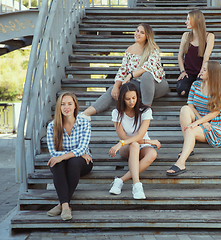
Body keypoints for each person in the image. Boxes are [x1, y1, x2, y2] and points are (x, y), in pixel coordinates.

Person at [79, 23, 169, 121]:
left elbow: (148, 67)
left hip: (157, 85)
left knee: (146, 76)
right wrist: (116, 86)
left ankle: (146, 112)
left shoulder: (153, 49)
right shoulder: (129, 50)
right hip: (138, 85)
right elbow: (122, 70)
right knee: (114, 89)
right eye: (137, 31)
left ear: (147, 36)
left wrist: (131, 75)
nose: (137, 34)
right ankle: (86, 114)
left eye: (142, 32)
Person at [167, 61, 221, 176]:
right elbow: (191, 104)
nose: (201, 71)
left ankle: (181, 163)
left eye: (205, 70)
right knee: (185, 109)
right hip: (201, 120)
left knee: (190, 129)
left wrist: (200, 123)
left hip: (214, 126)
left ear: (212, 73)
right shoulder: (195, 85)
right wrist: (200, 122)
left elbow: (215, 112)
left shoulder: (218, 89)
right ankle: (189, 148)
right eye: (202, 68)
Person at [108, 83, 161, 199]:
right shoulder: (116, 113)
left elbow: (140, 135)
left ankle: (120, 180)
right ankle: (137, 185)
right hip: (126, 148)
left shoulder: (145, 110)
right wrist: (148, 142)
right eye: (127, 99)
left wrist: (120, 143)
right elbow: (124, 138)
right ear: (122, 99)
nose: (131, 101)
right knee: (134, 144)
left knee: (152, 153)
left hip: (138, 145)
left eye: (134, 98)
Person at [46, 92, 93, 221]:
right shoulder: (52, 126)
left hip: (82, 164)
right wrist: (75, 153)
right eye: (63, 104)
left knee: (73, 162)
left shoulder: (84, 123)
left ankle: (61, 204)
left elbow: (83, 148)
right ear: (59, 107)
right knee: (56, 163)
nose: (66, 107)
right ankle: (65, 206)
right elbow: (53, 153)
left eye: (69, 104)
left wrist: (70, 155)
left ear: (75, 106)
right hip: (65, 163)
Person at [176, 9, 215, 97]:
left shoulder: (209, 36)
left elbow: (206, 57)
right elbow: (180, 56)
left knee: (201, 91)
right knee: (182, 91)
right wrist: (182, 71)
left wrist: (201, 73)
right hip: (188, 74)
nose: (186, 22)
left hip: (201, 73)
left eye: (189, 19)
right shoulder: (185, 35)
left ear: (198, 20)